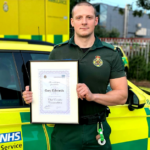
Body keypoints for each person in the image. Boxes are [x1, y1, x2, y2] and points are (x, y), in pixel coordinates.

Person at [22, 2, 128, 150]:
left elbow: (122, 96)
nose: (84, 22)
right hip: (64, 133)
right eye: (79, 17)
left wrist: (93, 96)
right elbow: (47, 87)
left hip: (96, 130)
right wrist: (32, 95)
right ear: (72, 22)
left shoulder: (110, 53)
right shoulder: (58, 52)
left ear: (96, 20)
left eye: (89, 17)